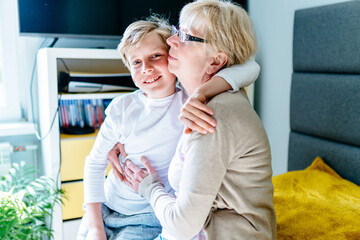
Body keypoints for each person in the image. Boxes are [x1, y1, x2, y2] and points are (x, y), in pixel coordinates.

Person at [77, 15, 260, 240]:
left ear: (172, 56)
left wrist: (203, 93)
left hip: (153, 214)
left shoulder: (190, 99)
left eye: (156, 56)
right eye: (136, 62)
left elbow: (251, 67)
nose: (146, 68)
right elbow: (94, 163)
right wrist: (95, 225)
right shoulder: (122, 109)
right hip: (110, 207)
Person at [122, 0, 277, 239]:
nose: (170, 41)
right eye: (177, 30)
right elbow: (249, 65)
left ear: (215, 61)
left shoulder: (208, 117)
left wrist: (150, 188)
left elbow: (181, 227)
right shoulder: (210, 96)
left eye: (185, 36)